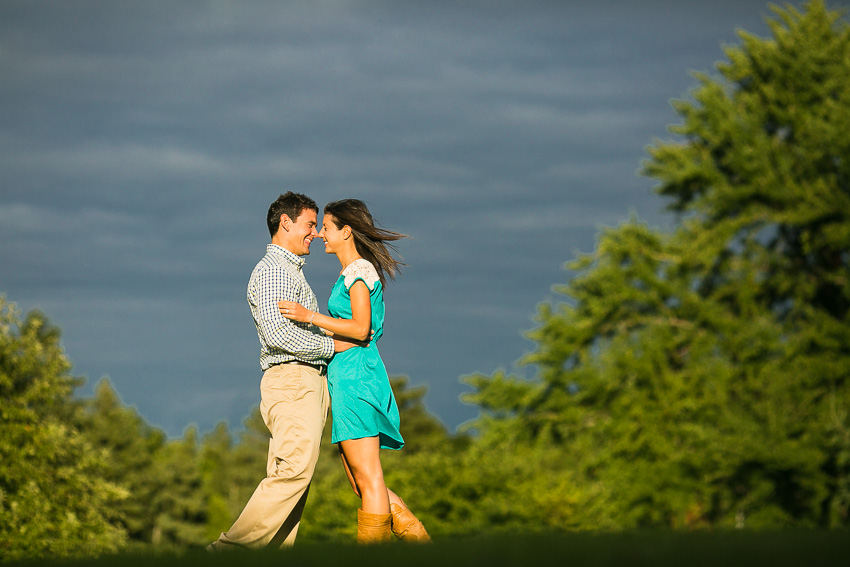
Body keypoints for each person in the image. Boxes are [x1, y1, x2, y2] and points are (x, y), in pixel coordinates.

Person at [208, 192, 360, 551]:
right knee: (293, 473)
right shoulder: (275, 271)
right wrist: (331, 346)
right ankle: (226, 553)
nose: (316, 233)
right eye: (310, 224)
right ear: (285, 223)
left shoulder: (287, 271)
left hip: (300, 380)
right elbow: (278, 333)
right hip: (293, 379)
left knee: (295, 481)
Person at [278, 199, 431, 544]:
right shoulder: (350, 274)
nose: (320, 235)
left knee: (370, 478)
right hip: (346, 379)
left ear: (346, 231)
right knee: (361, 482)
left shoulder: (359, 272)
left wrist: (309, 316)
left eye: (327, 228)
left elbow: (361, 328)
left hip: (357, 378)